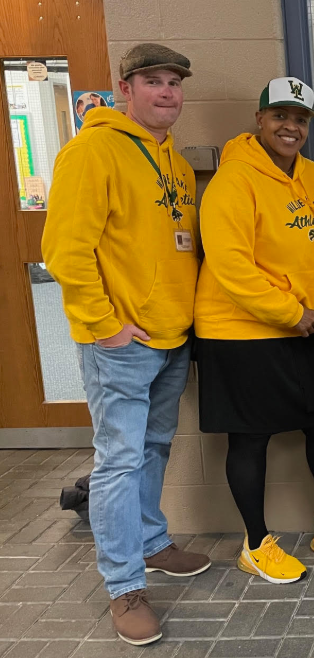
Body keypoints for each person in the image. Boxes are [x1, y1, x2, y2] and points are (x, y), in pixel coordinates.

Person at [42, 43, 210, 646]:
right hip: (120, 340)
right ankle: (123, 585)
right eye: (153, 82)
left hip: (171, 336)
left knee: (155, 447)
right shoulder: (92, 150)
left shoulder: (173, 163)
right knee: (118, 460)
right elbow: (64, 251)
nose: (167, 92)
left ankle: (151, 541)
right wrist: (104, 323)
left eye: (174, 83)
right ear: (125, 88)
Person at [194, 77, 314, 584]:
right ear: (260, 120)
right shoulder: (233, 180)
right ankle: (256, 544)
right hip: (239, 332)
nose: (291, 127)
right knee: (251, 439)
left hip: (304, 327)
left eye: (301, 119)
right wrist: (292, 311)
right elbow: (231, 265)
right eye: (281, 116)